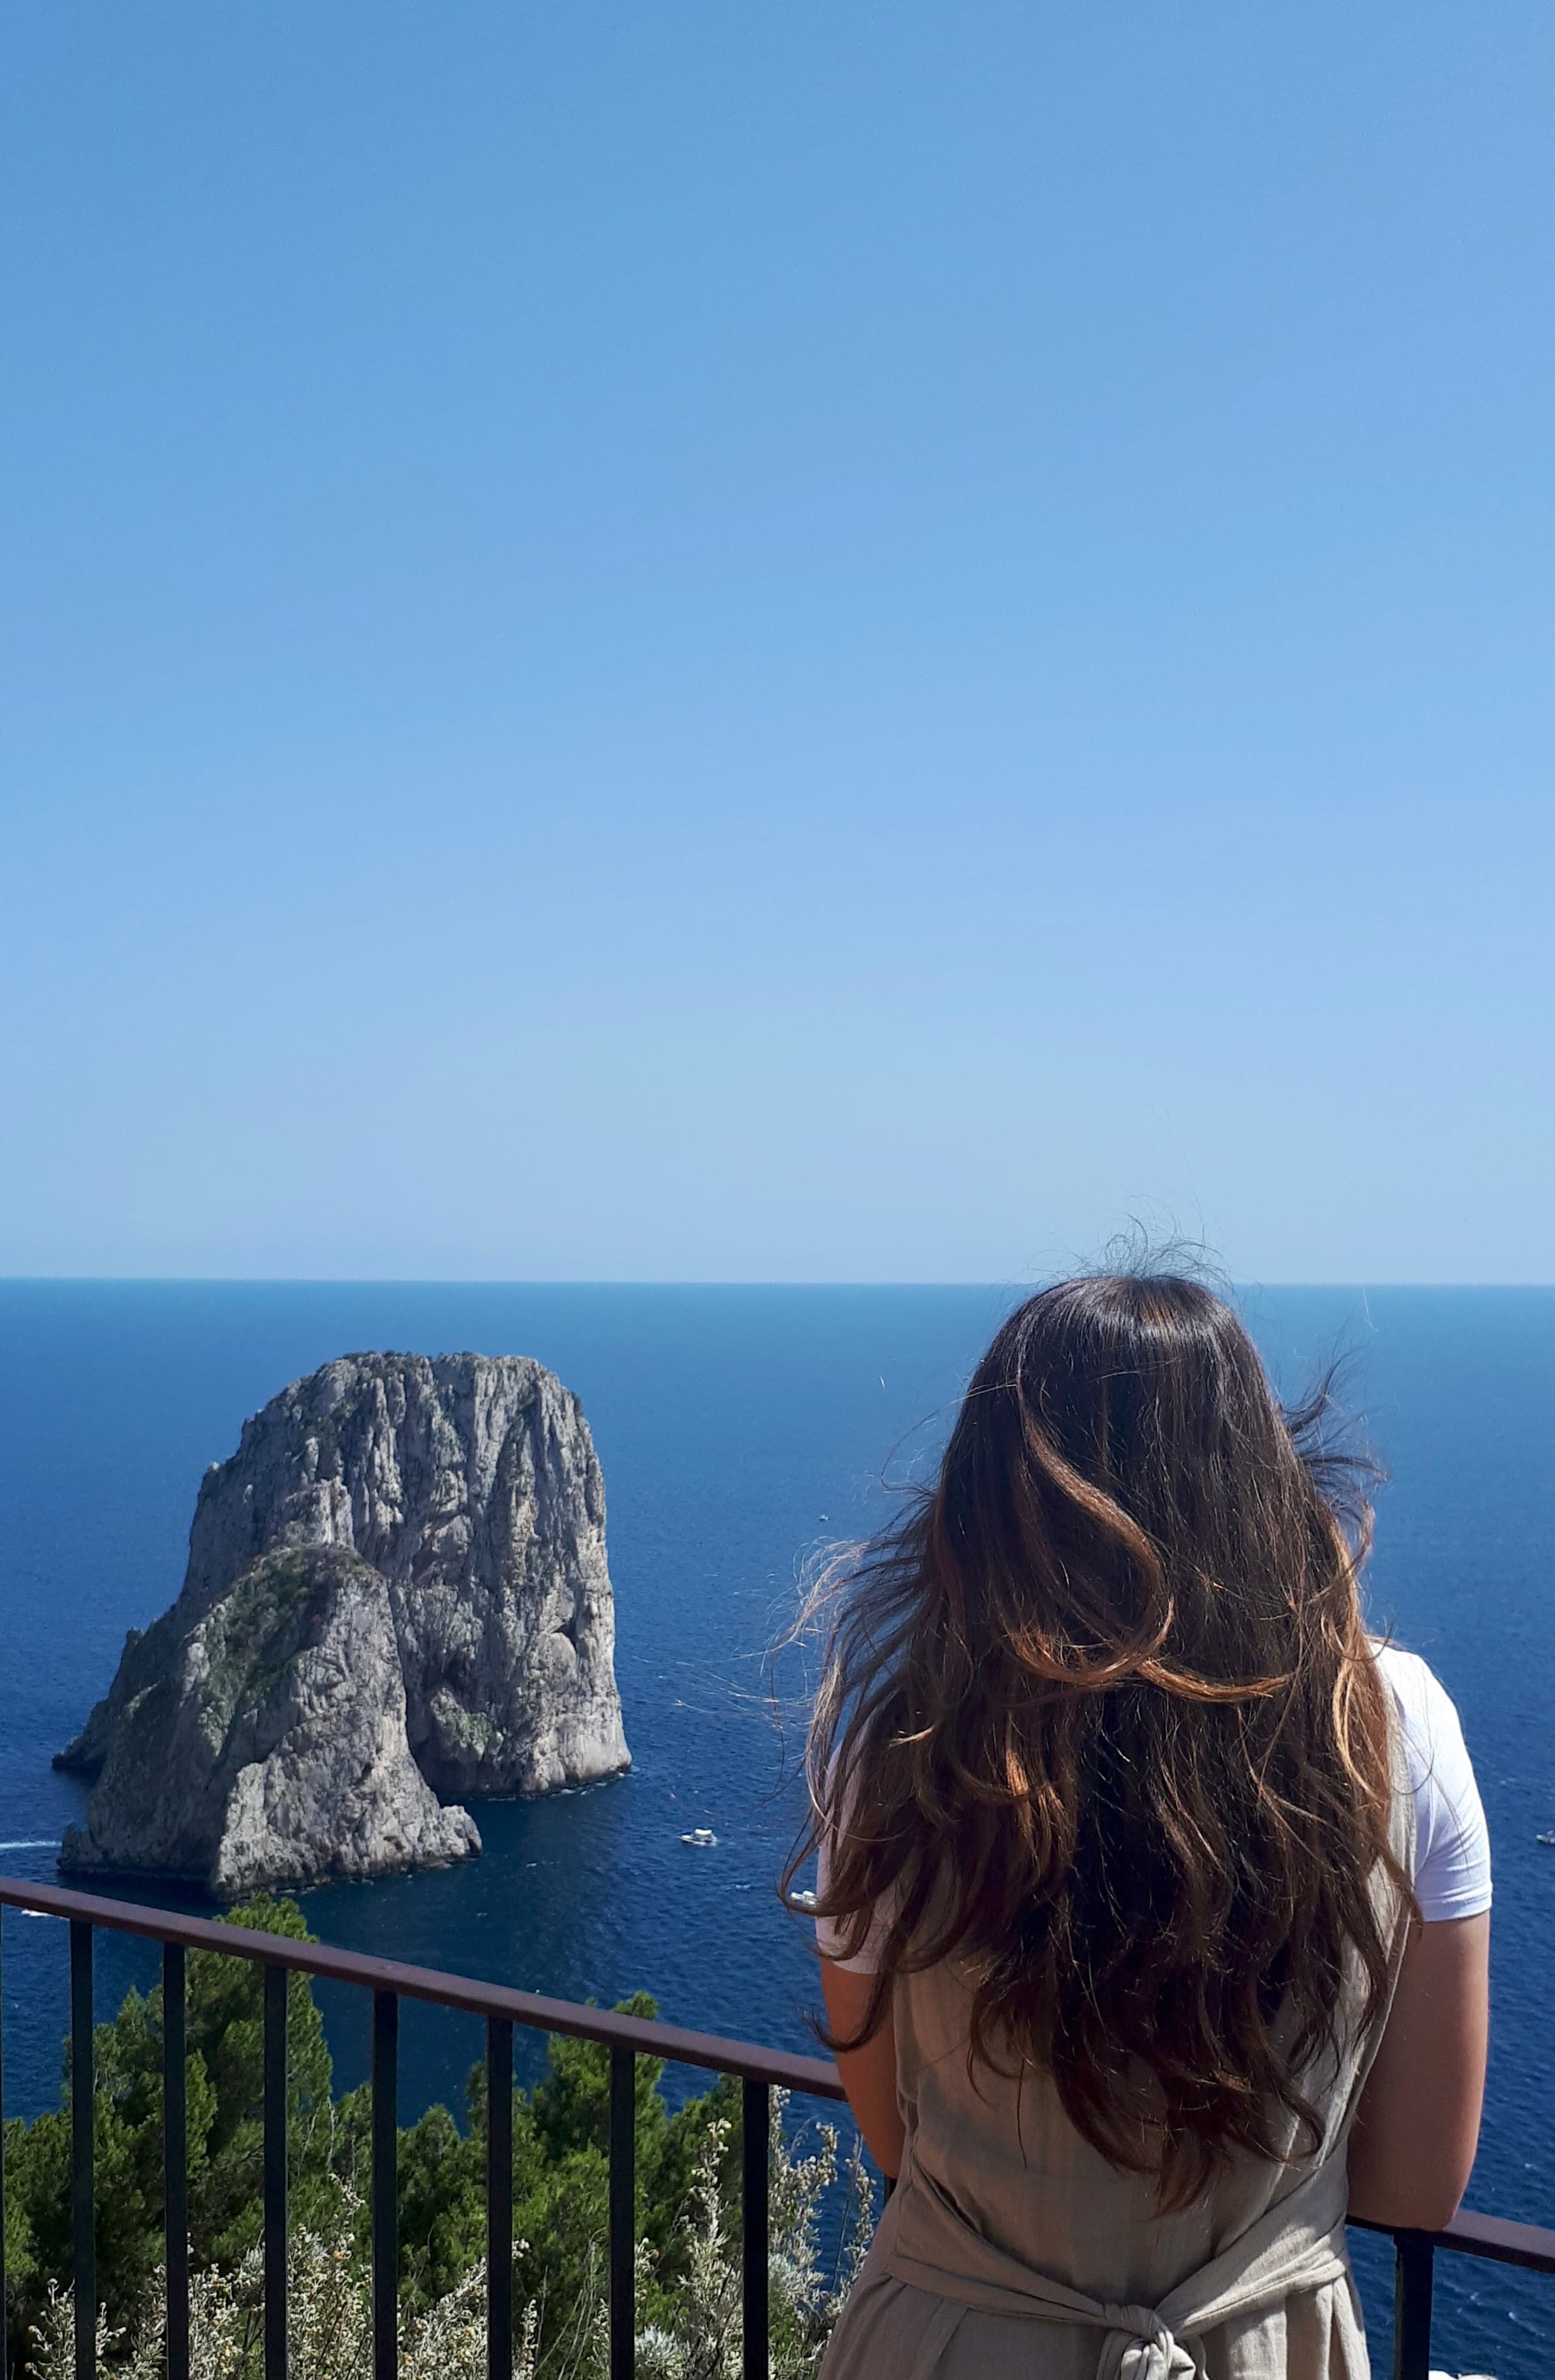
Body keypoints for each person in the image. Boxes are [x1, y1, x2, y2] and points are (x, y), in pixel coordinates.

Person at [794, 1273, 1490, 2380]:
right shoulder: (1393, 1722)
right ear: (1260, 1477)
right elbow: (1415, 2182)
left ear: (983, 1501)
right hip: (1267, 2349)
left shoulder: (898, 1748)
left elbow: (894, 2134)